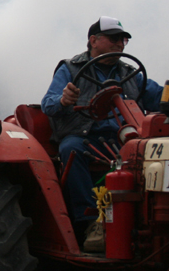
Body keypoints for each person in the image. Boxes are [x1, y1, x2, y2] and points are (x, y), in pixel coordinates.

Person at [41, 16, 162, 252]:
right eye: (114, 38)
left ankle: (150, 219)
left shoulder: (130, 74)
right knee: (70, 149)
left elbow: (157, 96)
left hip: (121, 137)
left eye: (123, 39)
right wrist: (64, 100)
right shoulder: (70, 68)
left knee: (151, 152)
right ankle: (90, 223)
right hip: (84, 136)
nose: (120, 44)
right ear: (93, 40)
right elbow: (48, 104)